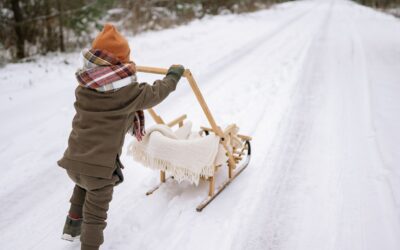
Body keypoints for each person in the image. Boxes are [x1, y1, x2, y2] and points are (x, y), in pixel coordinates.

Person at [57, 23, 184, 250]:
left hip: (73, 161)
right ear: (121, 62)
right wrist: (173, 77)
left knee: (81, 185)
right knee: (96, 216)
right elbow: (156, 93)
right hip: (100, 170)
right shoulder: (128, 93)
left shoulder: (84, 85)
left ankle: (72, 228)